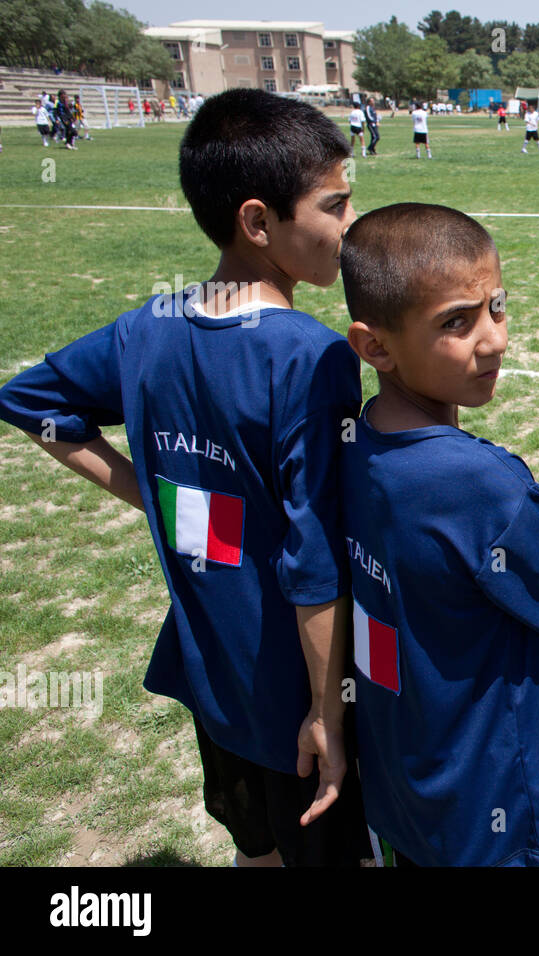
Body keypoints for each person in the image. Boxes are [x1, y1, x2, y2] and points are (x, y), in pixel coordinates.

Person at [0, 88, 372, 868]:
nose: (351, 228)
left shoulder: (147, 326)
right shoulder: (310, 356)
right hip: (291, 691)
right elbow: (312, 561)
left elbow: (30, 401)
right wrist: (327, 713)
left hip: (214, 674)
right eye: (334, 206)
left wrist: (161, 495)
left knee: (256, 848)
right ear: (258, 222)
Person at [337, 203, 539, 866]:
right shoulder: (480, 485)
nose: (493, 339)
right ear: (374, 345)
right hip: (498, 815)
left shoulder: (350, 441)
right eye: (456, 323)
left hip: (407, 793)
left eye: (497, 305)